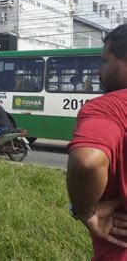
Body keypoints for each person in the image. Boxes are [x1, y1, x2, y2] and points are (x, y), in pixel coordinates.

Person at [66, 24, 127, 260]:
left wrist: (83, 211)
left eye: (105, 61)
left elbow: (87, 162)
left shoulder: (110, 106)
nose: (99, 73)